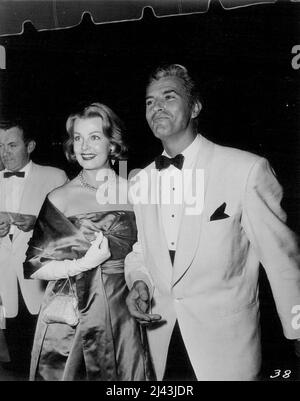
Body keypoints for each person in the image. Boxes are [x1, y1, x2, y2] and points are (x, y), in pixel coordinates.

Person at [124, 63, 300, 381]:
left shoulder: (245, 170)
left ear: (195, 107)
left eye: (169, 97)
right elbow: (142, 250)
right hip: (163, 340)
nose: (156, 107)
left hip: (228, 349)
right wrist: (139, 281)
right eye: (150, 101)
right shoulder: (140, 181)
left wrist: (297, 330)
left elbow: (283, 260)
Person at [23, 102, 155, 381]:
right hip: (70, 316)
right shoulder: (60, 197)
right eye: (78, 137)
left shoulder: (135, 192)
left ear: (112, 142)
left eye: (95, 137)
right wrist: (82, 263)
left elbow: (146, 252)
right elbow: (34, 266)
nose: (85, 146)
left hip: (124, 312)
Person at [0, 118, 67, 375]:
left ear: (30, 146)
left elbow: (69, 229)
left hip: (41, 281)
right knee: (15, 358)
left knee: (47, 357)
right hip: (5, 281)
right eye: (1, 146)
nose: (4, 152)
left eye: (12, 145)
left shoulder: (54, 176)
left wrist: (38, 223)